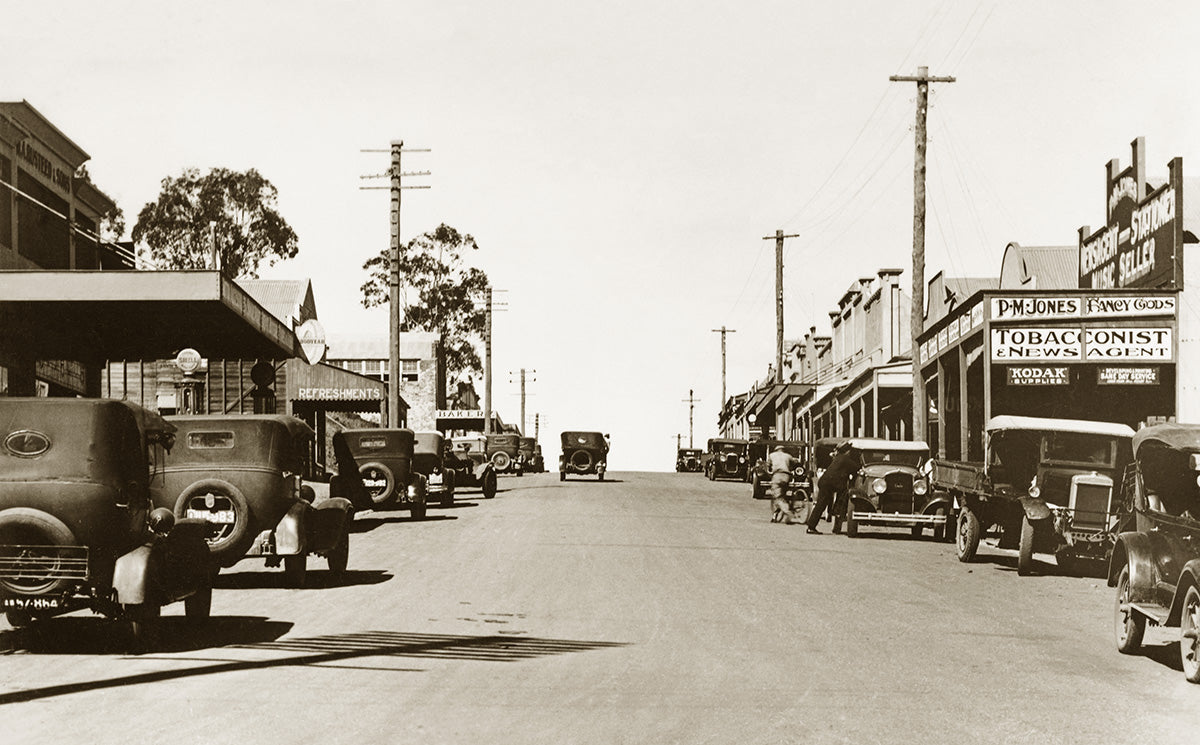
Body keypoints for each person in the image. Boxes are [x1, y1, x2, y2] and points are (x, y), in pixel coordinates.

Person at [806, 441, 861, 534]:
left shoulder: (838, 458)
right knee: (823, 504)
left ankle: (833, 514)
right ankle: (812, 526)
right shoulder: (845, 459)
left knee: (822, 504)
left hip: (827, 483)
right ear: (847, 451)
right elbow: (856, 467)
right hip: (830, 484)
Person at [766, 445, 799, 523]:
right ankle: (777, 514)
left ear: (776, 450)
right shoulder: (788, 456)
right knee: (783, 495)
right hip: (787, 477)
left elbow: (768, 466)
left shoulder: (772, 455)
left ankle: (788, 512)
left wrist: (769, 472)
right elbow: (794, 464)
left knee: (778, 497)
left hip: (777, 476)